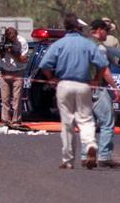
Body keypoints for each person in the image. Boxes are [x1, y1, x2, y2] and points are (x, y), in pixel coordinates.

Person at [39, 13, 108, 169]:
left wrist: (52, 78)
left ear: (66, 27)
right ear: (78, 27)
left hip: (64, 85)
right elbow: (102, 64)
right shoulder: (88, 44)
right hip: (83, 85)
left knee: (67, 123)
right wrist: (96, 79)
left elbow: (44, 65)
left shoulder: (59, 44)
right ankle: (91, 144)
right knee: (85, 119)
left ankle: (68, 160)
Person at [79, 19, 120, 168]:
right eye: (107, 30)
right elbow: (104, 70)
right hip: (96, 88)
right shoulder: (100, 48)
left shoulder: (82, 43)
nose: (108, 34)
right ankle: (104, 156)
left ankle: (85, 155)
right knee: (107, 122)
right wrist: (115, 87)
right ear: (99, 30)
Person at [0, 27, 29, 130]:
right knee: (5, 99)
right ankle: (5, 121)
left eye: (14, 38)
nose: (12, 40)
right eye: (11, 38)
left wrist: (12, 51)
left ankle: (16, 121)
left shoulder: (21, 42)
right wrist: (0, 49)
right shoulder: (1, 40)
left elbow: (24, 59)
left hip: (18, 72)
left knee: (17, 99)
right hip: (5, 72)